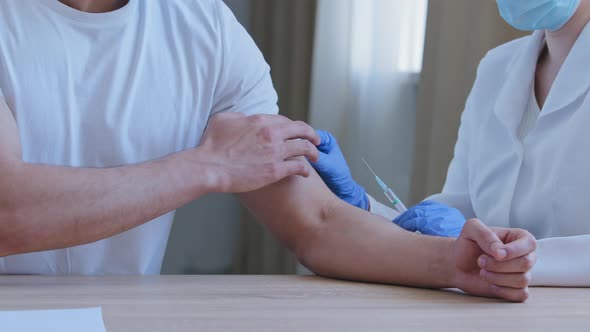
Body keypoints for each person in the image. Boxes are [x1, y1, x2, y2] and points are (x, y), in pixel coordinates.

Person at [0, 0, 536, 302]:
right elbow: (8, 212)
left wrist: (452, 262)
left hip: (118, 315)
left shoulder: (204, 25)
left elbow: (316, 219)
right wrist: (205, 167)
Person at [312, 0, 590, 287]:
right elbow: (459, 216)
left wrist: (513, 262)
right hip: (485, 310)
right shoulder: (497, 67)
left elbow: (470, 252)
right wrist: (365, 208)